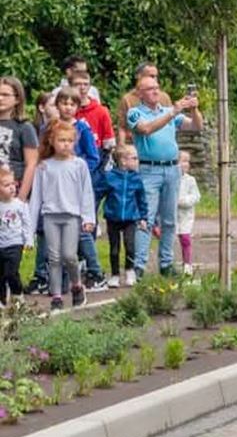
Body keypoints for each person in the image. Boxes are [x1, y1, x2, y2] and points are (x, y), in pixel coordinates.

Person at [125, 73, 201, 277]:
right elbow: (146, 129)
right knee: (146, 219)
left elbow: (196, 126)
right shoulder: (135, 113)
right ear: (140, 93)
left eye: (157, 87)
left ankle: (166, 263)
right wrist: (174, 111)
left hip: (171, 169)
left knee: (169, 219)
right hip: (149, 169)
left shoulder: (168, 112)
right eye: (150, 88)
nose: (156, 91)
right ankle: (139, 265)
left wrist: (194, 110)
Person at [29, 123, 95, 311]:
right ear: (52, 141)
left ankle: (76, 285)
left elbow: (86, 193)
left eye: (69, 141)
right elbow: (37, 198)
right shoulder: (44, 167)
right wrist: (30, 228)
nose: (66, 144)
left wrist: (88, 217)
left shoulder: (79, 165)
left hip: (71, 216)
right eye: (61, 140)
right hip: (50, 215)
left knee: (69, 255)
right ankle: (56, 295)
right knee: (54, 257)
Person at [101, 144, 149, 286]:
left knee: (130, 246)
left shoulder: (137, 179)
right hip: (112, 218)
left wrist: (143, 217)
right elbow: (100, 192)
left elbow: (142, 199)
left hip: (130, 218)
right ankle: (115, 274)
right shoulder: (110, 177)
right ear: (123, 160)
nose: (137, 161)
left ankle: (130, 270)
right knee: (114, 248)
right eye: (134, 158)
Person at [0, 77, 40, 203]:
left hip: (12, 190)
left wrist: (21, 198)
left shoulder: (24, 127)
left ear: (17, 99)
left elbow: (31, 164)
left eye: (5, 95)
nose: (0, 98)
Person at [0, 169, 25, 302]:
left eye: (13, 184)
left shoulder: (19, 205)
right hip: (1, 244)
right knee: (1, 275)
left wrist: (28, 240)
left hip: (15, 243)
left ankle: (17, 295)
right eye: (6, 185)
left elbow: (27, 223)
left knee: (11, 272)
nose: (11, 187)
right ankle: (2, 300)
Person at [175, 149, 199, 275]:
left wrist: (184, 201)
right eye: (183, 161)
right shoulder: (171, 179)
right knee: (169, 239)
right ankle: (168, 263)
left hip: (186, 215)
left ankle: (188, 263)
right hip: (173, 215)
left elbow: (196, 196)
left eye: (187, 162)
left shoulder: (191, 180)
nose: (186, 164)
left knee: (185, 238)